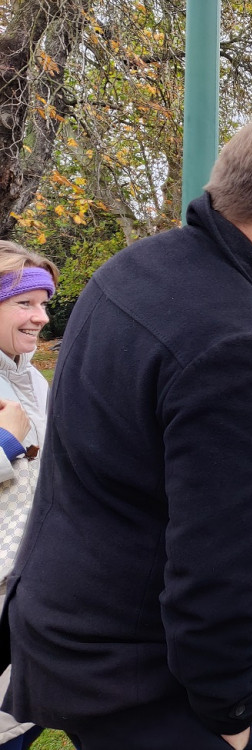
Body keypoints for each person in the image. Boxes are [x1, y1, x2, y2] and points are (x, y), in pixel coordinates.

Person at [0, 120, 252, 750]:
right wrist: (233, 713)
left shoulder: (133, 270)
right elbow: (222, 557)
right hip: (149, 680)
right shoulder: (236, 342)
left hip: (78, 633)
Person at [0, 244, 57, 750]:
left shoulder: (33, 379)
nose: (40, 317)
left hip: (29, 597)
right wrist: (5, 444)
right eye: (24, 303)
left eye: (43, 303)